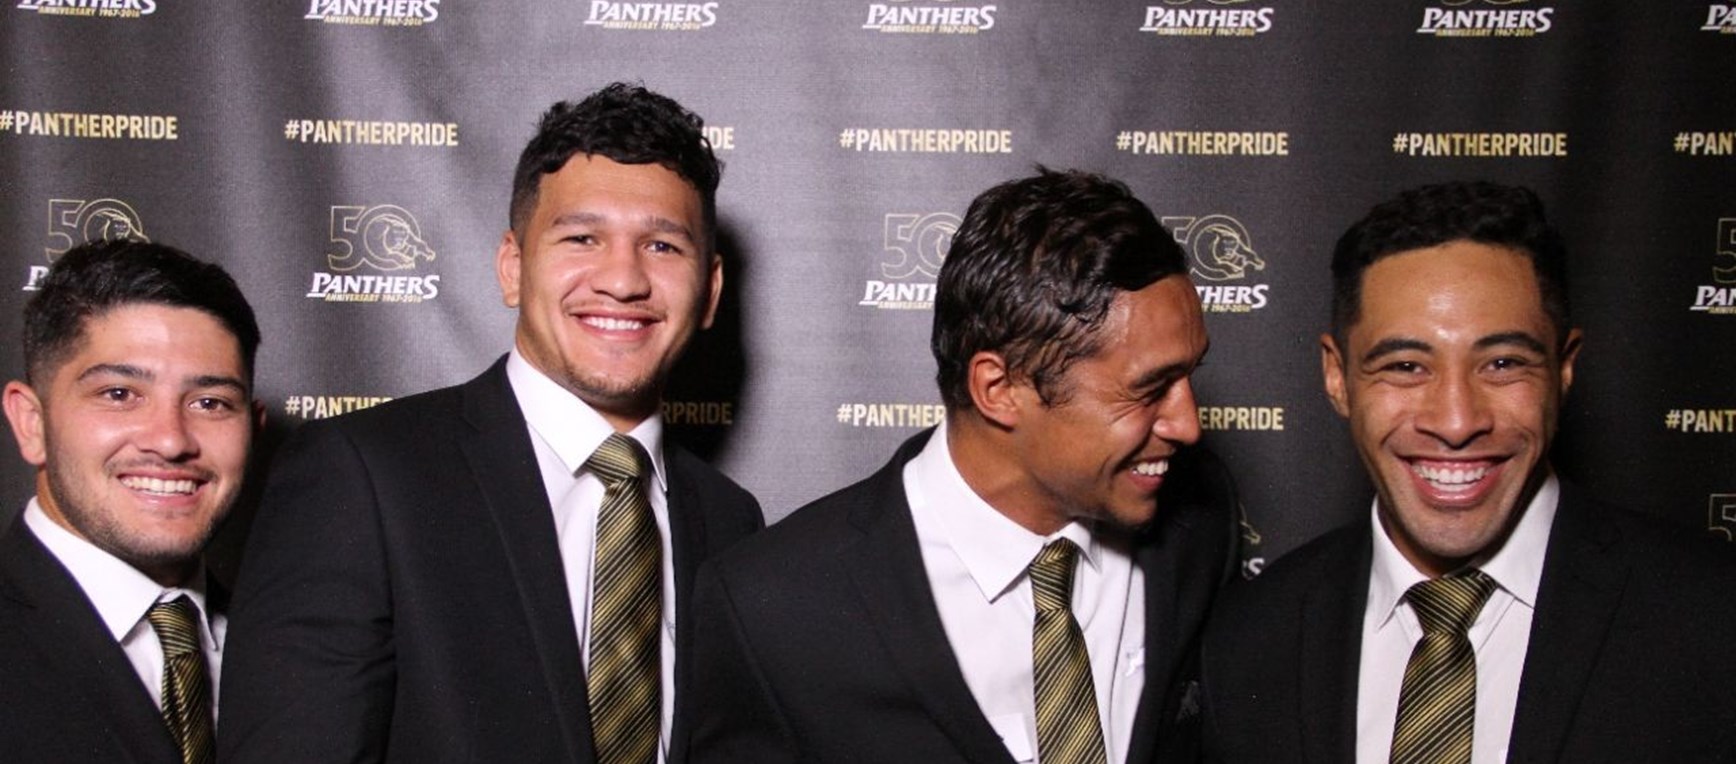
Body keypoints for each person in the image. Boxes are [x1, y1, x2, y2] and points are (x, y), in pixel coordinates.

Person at [219, 83, 763, 764]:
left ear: (709, 291)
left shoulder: (730, 522)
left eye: (661, 246)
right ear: (512, 268)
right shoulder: (362, 477)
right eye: (583, 238)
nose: (623, 279)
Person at [687, 169, 1240, 764]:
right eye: (1149, 389)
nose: (1188, 425)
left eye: (1190, 376)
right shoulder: (773, 606)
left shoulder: (1199, 525)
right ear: (998, 389)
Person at [1200, 181, 1736, 763]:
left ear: (1563, 369)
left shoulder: (1712, 617)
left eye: (1502, 363)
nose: (1456, 422)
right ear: (1338, 377)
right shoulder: (1252, 636)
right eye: (1406, 366)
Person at [0, 239, 263, 763]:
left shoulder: (291, 643)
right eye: (119, 394)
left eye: (210, 403)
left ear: (253, 429)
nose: (170, 440)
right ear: (32, 423)